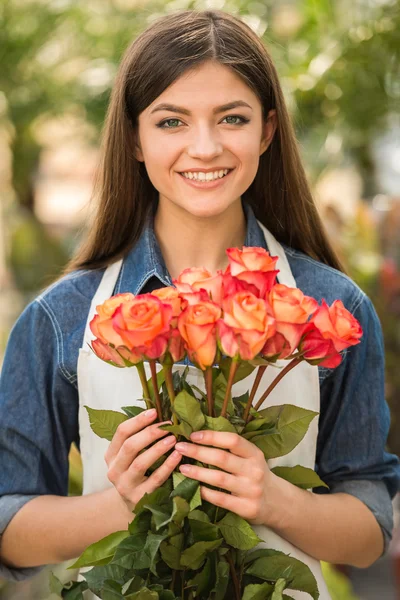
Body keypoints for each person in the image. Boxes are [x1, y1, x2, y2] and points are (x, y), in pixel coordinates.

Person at [0, 9, 399, 599]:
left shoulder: (334, 307)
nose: (205, 147)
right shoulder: (61, 318)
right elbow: (9, 528)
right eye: (171, 121)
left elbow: (370, 531)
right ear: (134, 138)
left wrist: (279, 500)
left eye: (231, 118)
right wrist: (121, 505)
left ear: (266, 131)